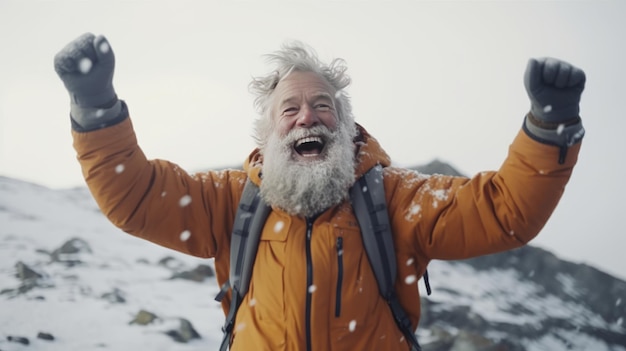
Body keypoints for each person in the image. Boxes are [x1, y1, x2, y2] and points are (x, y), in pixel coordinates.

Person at [54, 33, 586, 351]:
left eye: (323, 105)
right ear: (270, 131)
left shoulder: (396, 198)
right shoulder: (230, 199)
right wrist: (96, 107)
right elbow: (138, 197)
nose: (308, 116)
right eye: (290, 109)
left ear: (345, 123)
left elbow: (501, 212)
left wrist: (549, 128)